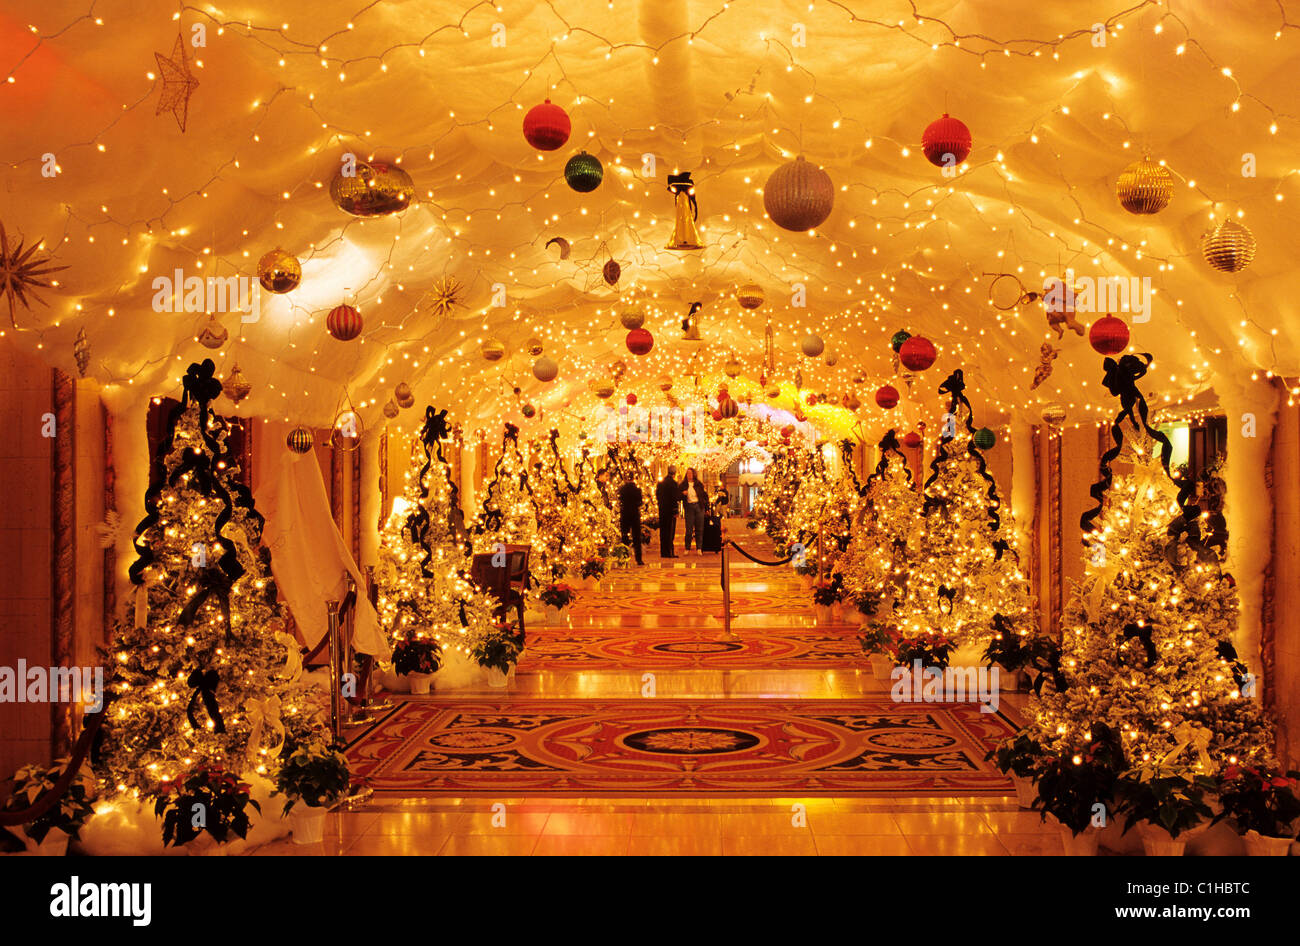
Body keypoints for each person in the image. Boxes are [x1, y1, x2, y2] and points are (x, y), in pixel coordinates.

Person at [617, 474, 644, 565]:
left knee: (625, 536)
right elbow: (640, 502)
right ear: (633, 479)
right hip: (635, 514)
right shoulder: (637, 490)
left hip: (624, 514)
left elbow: (619, 500)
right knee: (636, 537)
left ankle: (624, 558)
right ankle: (638, 559)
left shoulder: (622, 489)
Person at [679, 467, 707, 555]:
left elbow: (704, 496)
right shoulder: (683, 485)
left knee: (699, 528)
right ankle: (687, 547)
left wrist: (706, 507)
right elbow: (677, 496)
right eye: (688, 473)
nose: (689, 475)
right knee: (689, 529)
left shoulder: (699, 484)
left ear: (694, 474)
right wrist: (682, 494)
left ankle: (699, 548)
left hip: (699, 506)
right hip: (689, 507)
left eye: (691, 473)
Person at [655, 466, 681, 558]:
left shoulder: (661, 483)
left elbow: (657, 495)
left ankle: (663, 552)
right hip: (670, 511)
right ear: (675, 473)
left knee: (663, 531)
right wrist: (675, 510)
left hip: (662, 510)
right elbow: (675, 498)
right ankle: (669, 552)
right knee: (670, 532)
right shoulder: (673, 484)